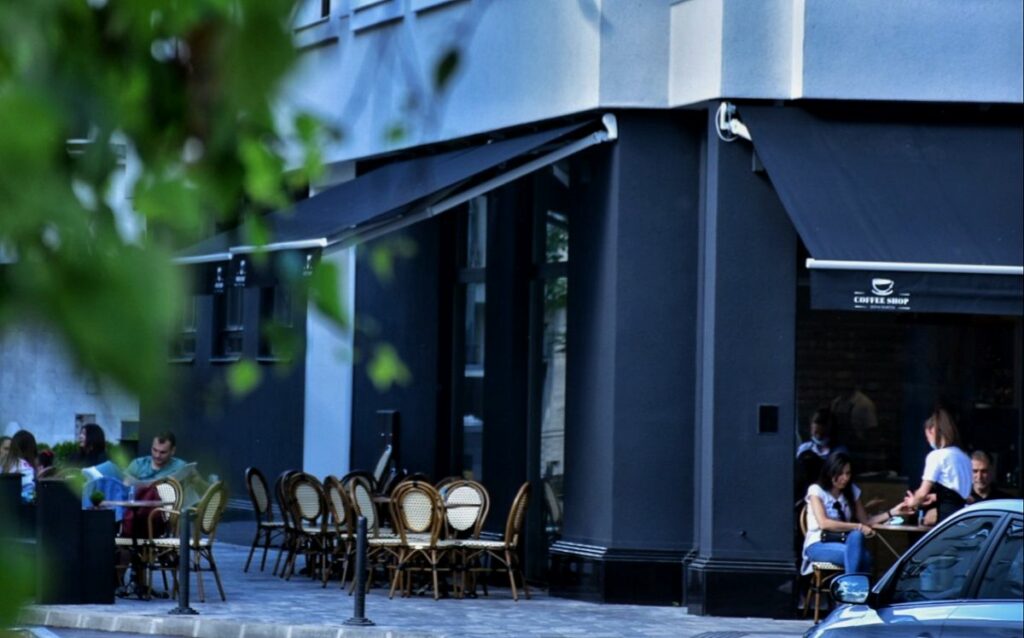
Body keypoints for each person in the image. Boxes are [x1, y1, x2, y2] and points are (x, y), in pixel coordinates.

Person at [802, 452, 900, 575]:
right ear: (829, 472)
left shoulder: (851, 491)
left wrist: (894, 512)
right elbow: (824, 523)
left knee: (856, 536)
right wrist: (857, 526)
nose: (845, 478)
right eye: (840, 473)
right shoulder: (816, 490)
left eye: (848, 473)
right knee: (864, 557)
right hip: (819, 544)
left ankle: (851, 588)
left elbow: (866, 521)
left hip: (843, 542)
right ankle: (854, 589)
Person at [902, 406, 972, 524]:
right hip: (964, 517)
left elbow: (922, 492)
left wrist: (913, 502)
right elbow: (960, 494)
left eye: (927, 437)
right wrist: (936, 496)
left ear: (931, 430)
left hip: (947, 519)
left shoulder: (937, 456)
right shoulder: (965, 457)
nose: (928, 442)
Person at [123, 431, 187, 483]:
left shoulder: (181, 466)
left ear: (172, 451)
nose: (157, 455)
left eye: (163, 452)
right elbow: (124, 486)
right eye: (155, 450)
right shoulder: (137, 464)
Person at [0, 430, 39, 501]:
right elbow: (30, 497)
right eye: (6, 449)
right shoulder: (26, 468)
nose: (7, 452)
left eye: (9, 448)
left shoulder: (4, 465)